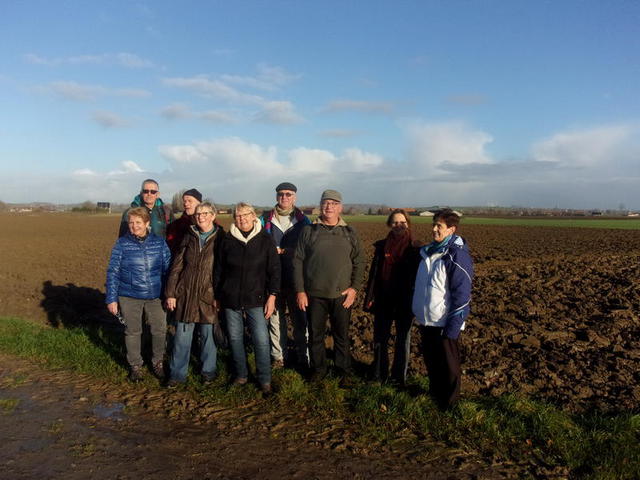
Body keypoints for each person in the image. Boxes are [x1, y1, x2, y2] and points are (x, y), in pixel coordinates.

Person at [293, 189, 365, 385]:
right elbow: (298, 261)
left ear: (340, 207)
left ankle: (343, 371)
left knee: (341, 336)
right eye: (326, 203)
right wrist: (300, 290)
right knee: (316, 336)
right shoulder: (309, 231)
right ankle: (318, 370)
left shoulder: (349, 232)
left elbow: (359, 261)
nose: (329, 207)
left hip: (341, 295)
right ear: (321, 205)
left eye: (334, 203)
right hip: (314, 295)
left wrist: (354, 289)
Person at [214, 202, 281, 394]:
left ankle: (265, 379)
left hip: (256, 298)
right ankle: (241, 375)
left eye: (245, 215)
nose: (242, 219)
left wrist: (272, 296)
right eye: (238, 215)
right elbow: (219, 270)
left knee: (261, 339)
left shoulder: (265, 240)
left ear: (253, 216)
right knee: (235, 339)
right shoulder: (227, 240)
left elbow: (274, 270)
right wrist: (218, 295)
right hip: (231, 299)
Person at [412, 209, 473, 410]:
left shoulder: (456, 255)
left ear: (451, 230)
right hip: (426, 320)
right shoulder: (428, 252)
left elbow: (462, 294)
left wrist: (454, 325)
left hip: (445, 321)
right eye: (434, 224)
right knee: (432, 362)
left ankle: (450, 405)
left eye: (439, 226)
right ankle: (435, 396)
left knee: (449, 365)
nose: (434, 229)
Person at [106, 207, 171, 382]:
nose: (134, 226)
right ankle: (135, 365)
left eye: (138, 222)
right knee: (133, 331)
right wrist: (111, 298)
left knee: (159, 330)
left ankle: (158, 362)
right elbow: (113, 272)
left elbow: (168, 271)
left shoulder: (159, 243)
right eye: (131, 223)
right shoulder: (121, 244)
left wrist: (169, 294)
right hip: (129, 296)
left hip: (156, 296)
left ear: (147, 223)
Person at [165, 202, 224, 387]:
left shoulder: (221, 237)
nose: (201, 217)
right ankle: (177, 375)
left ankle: (208, 373)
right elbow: (177, 266)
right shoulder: (188, 236)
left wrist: (220, 295)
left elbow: (224, 269)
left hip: (208, 294)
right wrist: (171, 293)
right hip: (186, 293)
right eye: (198, 214)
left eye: (205, 213)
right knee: (182, 337)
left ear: (213, 216)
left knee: (208, 337)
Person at [364, 209, 421, 385]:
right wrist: (370, 296)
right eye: (395, 222)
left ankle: (398, 378)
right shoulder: (381, 246)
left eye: (402, 222)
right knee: (380, 338)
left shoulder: (416, 247)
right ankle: (378, 374)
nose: (398, 225)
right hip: (384, 298)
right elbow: (374, 274)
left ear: (408, 224)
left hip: (405, 300)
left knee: (403, 339)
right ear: (390, 224)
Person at [260, 182, 311, 370]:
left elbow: (308, 250)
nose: (284, 197)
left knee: (300, 321)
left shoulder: (304, 222)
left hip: (296, 280)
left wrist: (289, 251)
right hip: (272, 279)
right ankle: (279, 358)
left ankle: (302, 358)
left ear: (295, 197)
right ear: (276, 196)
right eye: (281, 194)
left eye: (289, 194)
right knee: (275, 320)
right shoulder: (264, 219)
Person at [166, 188, 202, 255]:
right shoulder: (175, 226)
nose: (186, 204)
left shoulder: (209, 225)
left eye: (189, 201)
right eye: (185, 201)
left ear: (199, 203)